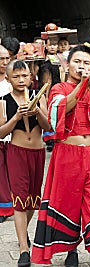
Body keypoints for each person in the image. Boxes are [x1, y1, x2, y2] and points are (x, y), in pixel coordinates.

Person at [31, 45, 90, 267]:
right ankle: (70, 251)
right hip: (67, 154)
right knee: (68, 203)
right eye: (77, 62)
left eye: (87, 63)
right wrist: (83, 85)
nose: (82, 67)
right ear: (67, 65)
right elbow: (60, 109)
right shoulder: (59, 87)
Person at [0, 60, 50, 267]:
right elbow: (1, 132)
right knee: (19, 200)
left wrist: (37, 111)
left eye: (24, 76)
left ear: (31, 77)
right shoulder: (3, 101)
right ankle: (23, 249)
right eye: (16, 76)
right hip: (17, 152)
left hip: (38, 152)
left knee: (33, 200)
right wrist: (16, 117)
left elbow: (48, 127)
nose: (21, 80)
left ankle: (23, 234)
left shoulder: (40, 97)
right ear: (8, 78)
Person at [0, 45, 12, 223]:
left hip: (11, 133)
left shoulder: (12, 81)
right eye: (0, 59)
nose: (3, 63)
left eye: (6, 59)